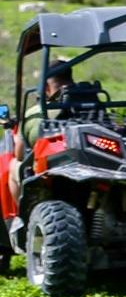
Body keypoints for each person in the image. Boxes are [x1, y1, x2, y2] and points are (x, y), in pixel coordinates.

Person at [8, 61, 73, 209]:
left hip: (49, 173)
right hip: (90, 162)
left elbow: (19, 154)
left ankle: (22, 219)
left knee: (13, 165)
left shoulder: (36, 114)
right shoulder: (94, 103)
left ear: (45, 87)